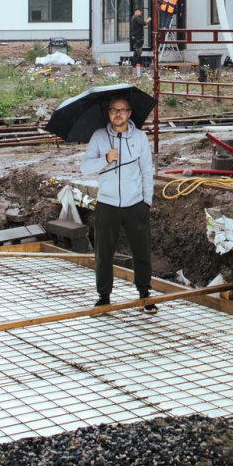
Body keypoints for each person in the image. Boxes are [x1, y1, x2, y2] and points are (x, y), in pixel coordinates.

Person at [79, 96, 156, 312]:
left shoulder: (140, 138)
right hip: (107, 203)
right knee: (103, 253)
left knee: (141, 252)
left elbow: (146, 172)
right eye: (114, 110)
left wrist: (146, 202)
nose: (118, 114)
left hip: (135, 204)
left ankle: (144, 294)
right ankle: (104, 296)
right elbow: (85, 168)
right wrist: (106, 158)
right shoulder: (99, 136)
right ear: (109, 113)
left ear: (130, 113)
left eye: (123, 110)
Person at [128, 8, 146, 77]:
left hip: (135, 36)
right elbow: (143, 23)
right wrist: (148, 20)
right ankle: (135, 64)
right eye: (140, 11)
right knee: (138, 50)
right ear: (136, 12)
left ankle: (137, 64)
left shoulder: (133, 18)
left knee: (137, 50)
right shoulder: (136, 17)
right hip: (138, 36)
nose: (141, 13)